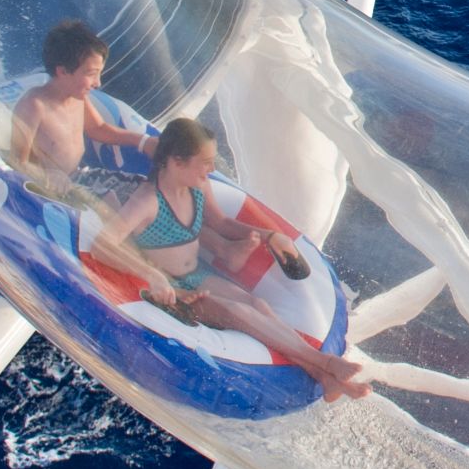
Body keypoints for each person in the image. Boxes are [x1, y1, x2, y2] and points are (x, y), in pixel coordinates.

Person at [99, 118, 371, 402]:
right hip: (171, 288)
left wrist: (270, 236)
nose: (211, 169)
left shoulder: (197, 188)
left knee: (258, 304)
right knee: (235, 311)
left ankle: (325, 377)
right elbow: (103, 245)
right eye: (205, 162)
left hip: (196, 275)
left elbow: (222, 223)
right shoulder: (147, 200)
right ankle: (324, 363)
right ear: (177, 162)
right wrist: (152, 276)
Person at [10, 20, 156, 194]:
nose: (98, 83)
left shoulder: (78, 99)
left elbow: (98, 128)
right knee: (114, 201)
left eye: (99, 73)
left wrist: (142, 141)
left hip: (79, 176)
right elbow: (17, 161)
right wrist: (46, 175)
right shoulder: (34, 105)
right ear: (62, 71)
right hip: (50, 187)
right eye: (91, 74)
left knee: (148, 190)